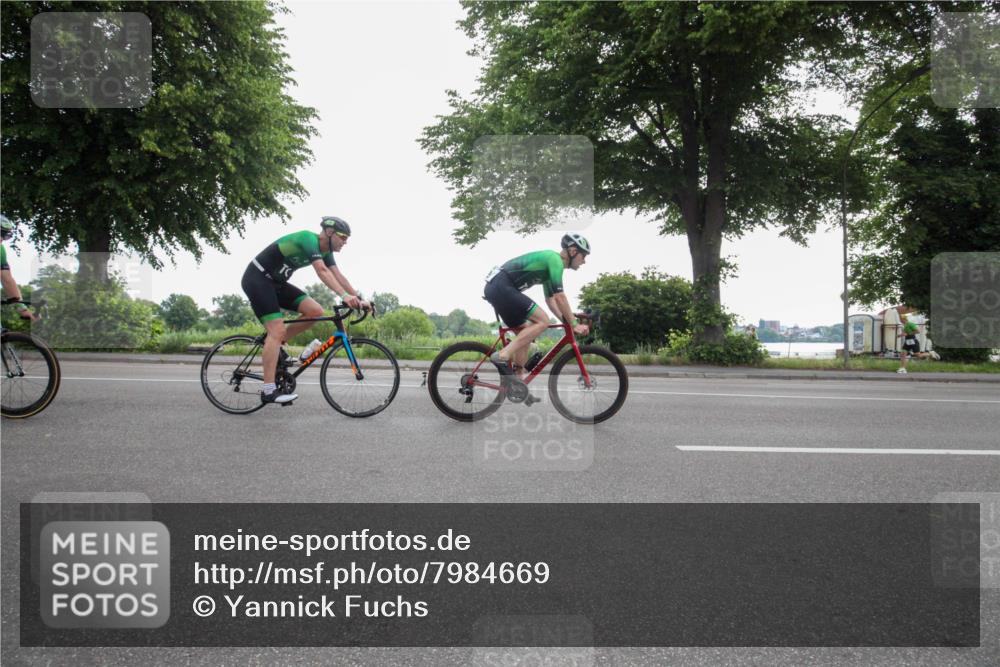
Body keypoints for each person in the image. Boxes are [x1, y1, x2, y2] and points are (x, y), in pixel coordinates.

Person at [241, 216, 369, 404]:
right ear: (329, 232)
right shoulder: (308, 239)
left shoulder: (326, 252)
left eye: (347, 238)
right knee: (276, 330)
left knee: (315, 311)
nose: (345, 242)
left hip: (276, 283)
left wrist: (359, 299)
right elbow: (322, 271)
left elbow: (337, 275)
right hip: (257, 279)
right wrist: (344, 296)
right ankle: (269, 390)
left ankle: (278, 347)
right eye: (343, 237)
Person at [484, 234, 591, 376]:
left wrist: (565, 321)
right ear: (573, 251)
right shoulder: (555, 260)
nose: (584, 262)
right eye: (583, 256)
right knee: (543, 321)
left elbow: (551, 300)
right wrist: (574, 323)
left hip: (498, 287)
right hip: (501, 286)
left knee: (525, 332)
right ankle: (503, 355)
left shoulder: (550, 269)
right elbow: (560, 297)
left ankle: (517, 381)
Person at [0, 215, 39, 322]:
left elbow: (7, 279)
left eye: (5, 235)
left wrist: (22, 308)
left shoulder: (0, 251)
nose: (1, 239)